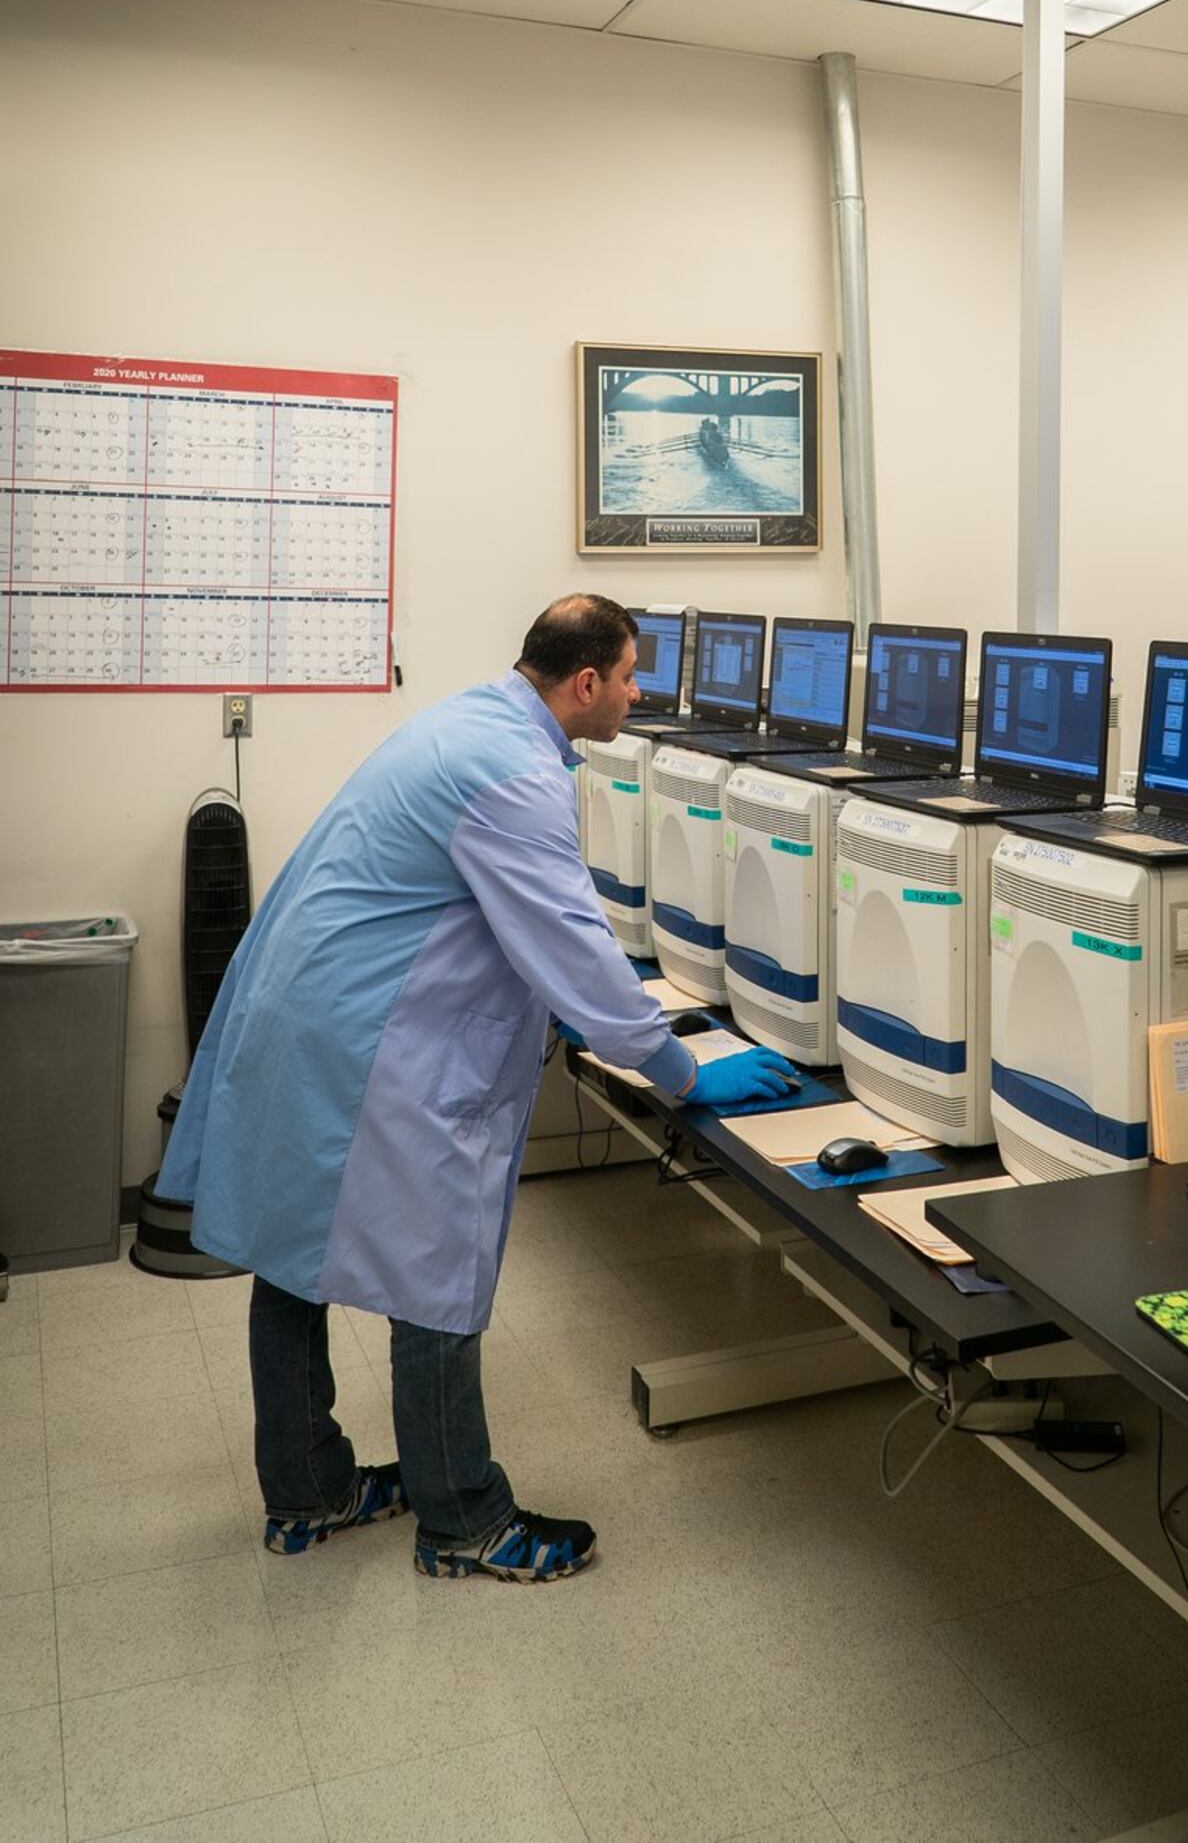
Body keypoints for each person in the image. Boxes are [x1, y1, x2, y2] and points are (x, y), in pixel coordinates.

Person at [158, 594, 798, 1585]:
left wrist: (595, 1002)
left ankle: (308, 1490)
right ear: (584, 683)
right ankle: (463, 1519)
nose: (639, 693)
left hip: (311, 1007)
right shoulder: (510, 771)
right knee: (438, 1264)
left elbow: (520, 919)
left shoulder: (476, 719)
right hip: (363, 1037)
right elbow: (572, 946)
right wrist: (684, 1070)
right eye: (631, 677)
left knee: (290, 1251)